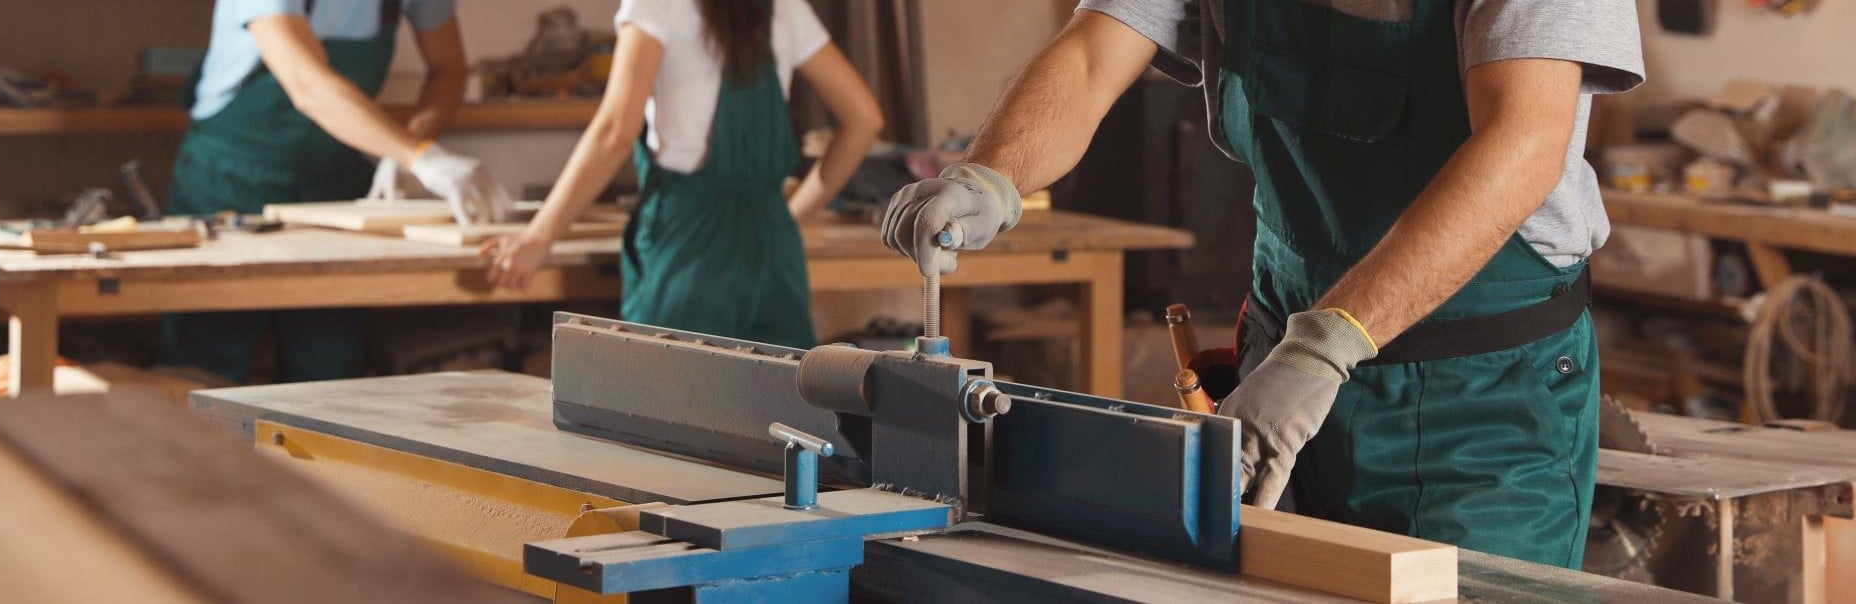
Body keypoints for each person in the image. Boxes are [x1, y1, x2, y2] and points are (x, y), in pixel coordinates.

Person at [880, 1, 1643, 568]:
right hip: (1278, 376)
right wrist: (989, 177)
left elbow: (1524, 139)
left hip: (1479, 410)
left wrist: (1330, 341)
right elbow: (1091, 54)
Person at [482, 0, 882, 349]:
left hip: (689, 245)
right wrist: (787, 218)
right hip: (774, 247)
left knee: (670, 413)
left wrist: (538, 237)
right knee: (780, 420)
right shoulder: (783, 6)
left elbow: (616, 131)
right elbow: (864, 119)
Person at [165, 0, 508, 383]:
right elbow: (305, 83)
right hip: (229, 179)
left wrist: (409, 142)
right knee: (206, 361)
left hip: (336, 185)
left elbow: (448, 68)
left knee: (330, 368)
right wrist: (420, 156)